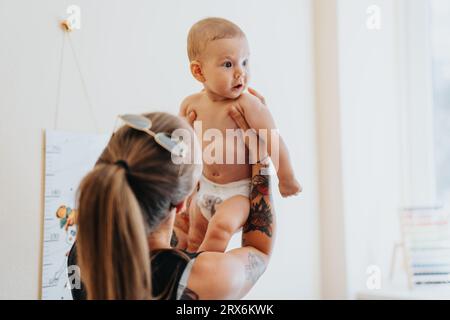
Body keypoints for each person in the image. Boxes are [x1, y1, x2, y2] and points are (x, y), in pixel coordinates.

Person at [67, 108, 275, 300]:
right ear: (182, 203)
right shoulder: (201, 278)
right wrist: (261, 157)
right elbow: (260, 252)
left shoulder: (85, 246)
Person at [179, 17, 301, 253]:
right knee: (195, 237)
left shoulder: (248, 104)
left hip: (238, 193)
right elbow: (182, 150)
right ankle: (193, 282)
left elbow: (273, 139)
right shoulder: (190, 105)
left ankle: (211, 274)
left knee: (220, 228)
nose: (240, 73)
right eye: (228, 64)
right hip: (205, 188)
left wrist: (286, 177)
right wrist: (182, 130)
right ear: (198, 71)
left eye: (245, 62)